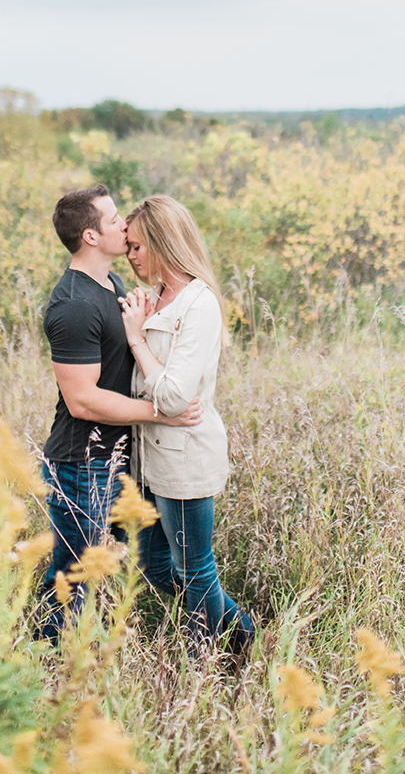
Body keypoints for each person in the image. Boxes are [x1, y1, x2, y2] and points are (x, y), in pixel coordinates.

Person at [37, 184, 202, 640]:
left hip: (123, 459)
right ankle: (49, 666)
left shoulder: (112, 285)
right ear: (90, 237)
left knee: (155, 562)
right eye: (113, 220)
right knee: (74, 578)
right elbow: (83, 400)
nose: (125, 226)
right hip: (81, 464)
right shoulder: (73, 304)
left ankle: (220, 632)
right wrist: (160, 413)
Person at [120, 194, 255, 652]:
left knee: (194, 568)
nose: (131, 256)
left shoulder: (199, 304)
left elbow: (177, 395)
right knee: (155, 565)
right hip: (147, 457)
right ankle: (240, 629)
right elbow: (157, 391)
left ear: (161, 242)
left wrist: (137, 338)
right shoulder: (154, 297)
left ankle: (203, 661)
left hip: (184, 459)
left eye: (137, 246)